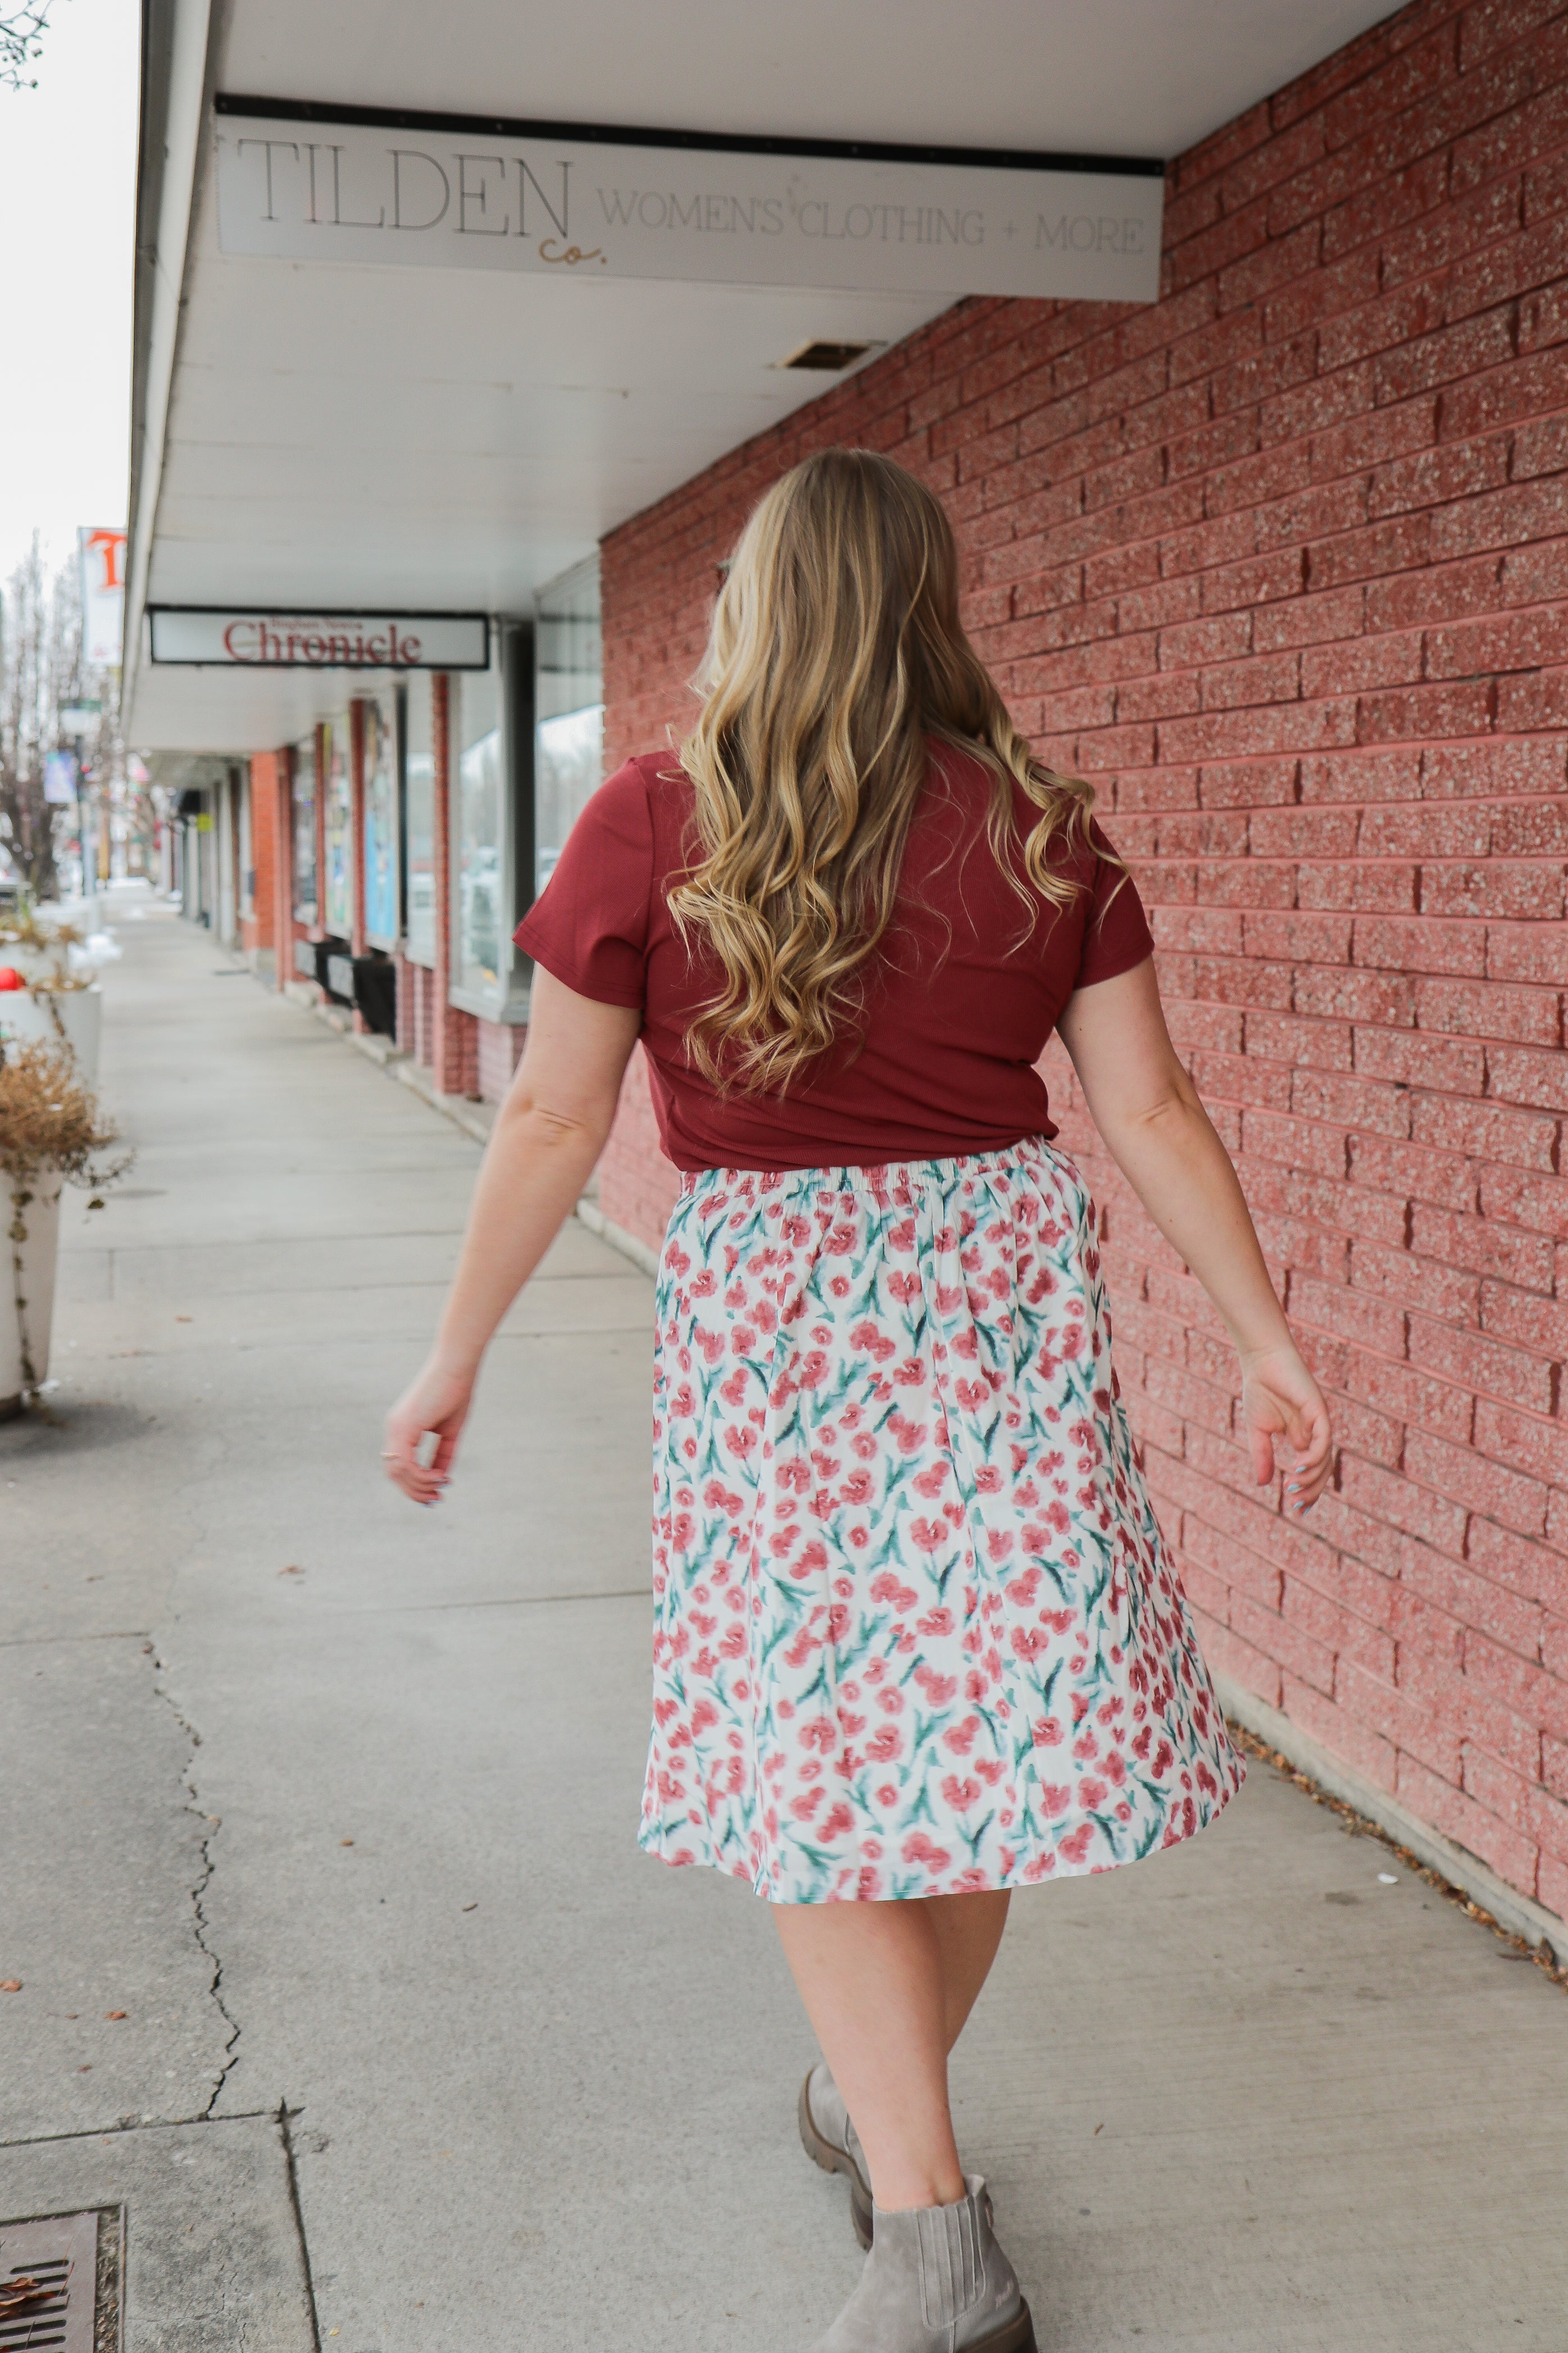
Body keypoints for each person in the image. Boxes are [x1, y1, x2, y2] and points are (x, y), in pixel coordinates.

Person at [383, 448, 1333, 2352]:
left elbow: (558, 1109)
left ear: (757, 602)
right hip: (998, 1315)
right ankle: (886, 2127)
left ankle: (932, 2239)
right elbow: (1147, 1107)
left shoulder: (656, 819)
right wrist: (1265, 1333)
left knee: (807, 1762)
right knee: (970, 1735)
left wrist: (455, 1347)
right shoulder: (1045, 827)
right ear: (929, 605)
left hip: (781, 1337)